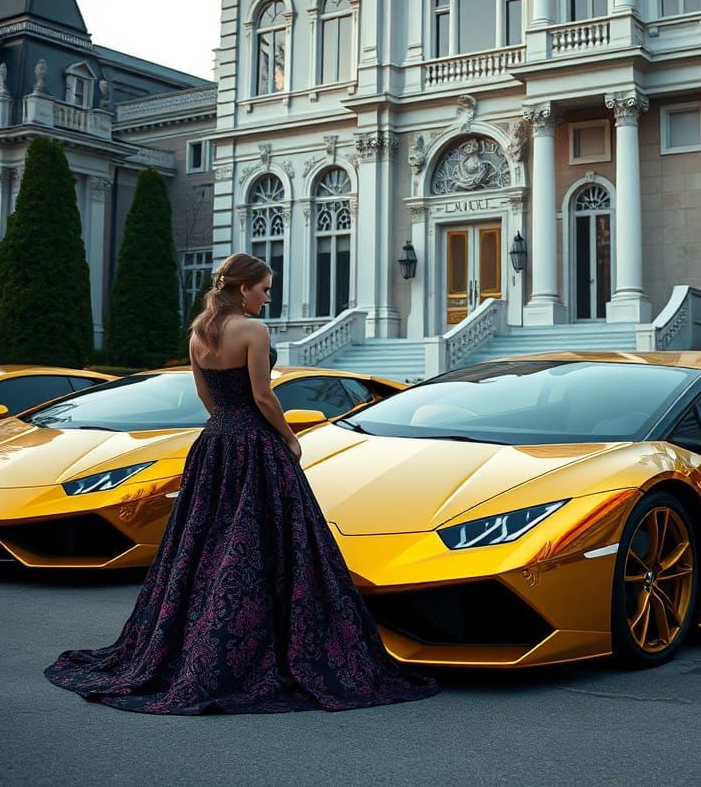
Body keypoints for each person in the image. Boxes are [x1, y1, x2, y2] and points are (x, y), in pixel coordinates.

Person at [44, 252, 437, 714]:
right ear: (242, 288)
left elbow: (205, 396)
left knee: (203, 545)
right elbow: (263, 395)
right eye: (264, 289)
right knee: (270, 542)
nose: (267, 299)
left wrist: (227, 428)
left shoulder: (198, 334)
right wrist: (289, 438)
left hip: (214, 444)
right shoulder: (252, 331)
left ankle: (191, 643)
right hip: (255, 444)